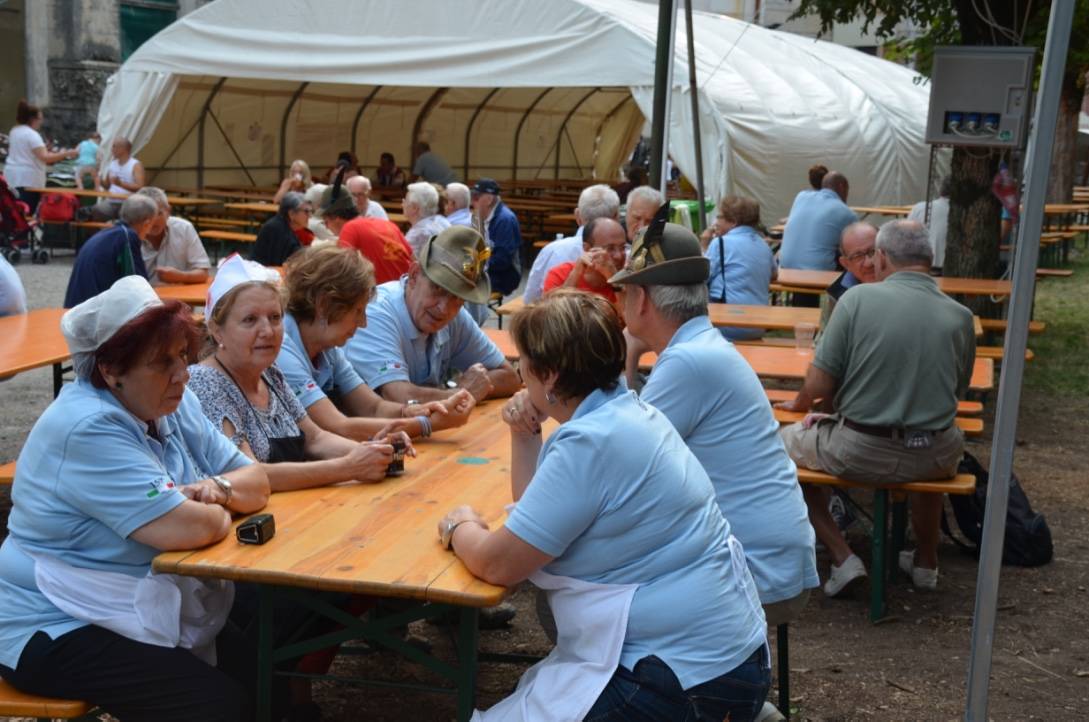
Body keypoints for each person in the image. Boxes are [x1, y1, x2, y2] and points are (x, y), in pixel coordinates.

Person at [439, 290, 770, 721]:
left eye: (524, 362)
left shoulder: (590, 443)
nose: (519, 373)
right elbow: (539, 520)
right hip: (721, 659)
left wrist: (459, 527)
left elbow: (500, 565)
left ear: (551, 376)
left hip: (679, 678)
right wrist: (526, 435)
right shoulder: (627, 413)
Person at [0, 276, 270, 720]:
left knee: (259, 668)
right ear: (110, 370)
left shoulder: (169, 400)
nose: (183, 373)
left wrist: (214, 490)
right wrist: (220, 507)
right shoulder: (87, 426)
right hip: (51, 622)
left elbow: (256, 479)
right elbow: (193, 528)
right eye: (163, 362)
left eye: (183, 355)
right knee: (217, 705)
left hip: (125, 597)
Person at [614, 220, 817, 720]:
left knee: (591, 605)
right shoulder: (700, 350)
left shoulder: (687, 364)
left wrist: (626, 355)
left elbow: (620, 460)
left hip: (755, 571)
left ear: (641, 301)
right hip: (770, 555)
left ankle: (719, 706)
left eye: (623, 292)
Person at [776, 221, 976, 596]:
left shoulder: (855, 300)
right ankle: (926, 563)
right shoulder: (960, 316)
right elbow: (956, 389)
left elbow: (819, 385)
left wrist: (801, 404)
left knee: (776, 448)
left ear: (882, 257)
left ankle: (842, 556)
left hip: (863, 449)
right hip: (936, 454)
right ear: (929, 260)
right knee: (931, 445)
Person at [188, 254, 413, 487]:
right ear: (217, 330)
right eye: (250, 320)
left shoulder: (269, 374)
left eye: (275, 318)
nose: (267, 330)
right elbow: (247, 473)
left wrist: (374, 452)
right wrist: (348, 467)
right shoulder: (204, 382)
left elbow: (315, 439)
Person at [276, 245, 475, 442]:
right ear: (324, 305)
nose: (363, 323)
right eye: (358, 311)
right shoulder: (282, 347)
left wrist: (413, 411)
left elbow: (374, 408)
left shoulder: (327, 348)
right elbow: (337, 427)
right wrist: (427, 423)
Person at [345, 226, 520, 405]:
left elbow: (509, 378)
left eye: (457, 297)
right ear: (414, 275)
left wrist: (459, 391)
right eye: (438, 289)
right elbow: (398, 396)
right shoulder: (375, 313)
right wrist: (461, 392)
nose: (444, 308)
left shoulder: (456, 317)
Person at [523, 183, 620, 302]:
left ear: (578, 216)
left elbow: (530, 300)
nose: (617, 253)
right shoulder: (627, 255)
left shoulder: (552, 250)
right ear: (616, 217)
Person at [705, 195, 778, 341]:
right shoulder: (764, 245)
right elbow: (774, 275)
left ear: (733, 222)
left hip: (726, 325)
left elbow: (701, 277)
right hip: (758, 326)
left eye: (719, 217)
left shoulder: (720, 243)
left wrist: (703, 245)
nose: (716, 222)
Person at [63, 194, 156, 308]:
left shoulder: (107, 233)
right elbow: (139, 286)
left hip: (76, 307)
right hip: (91, 314)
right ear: (146, 223)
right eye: (152, 225)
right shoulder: (127, 236)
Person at [5, 99, 78, 212]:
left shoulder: (15, 131)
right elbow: (45, 158)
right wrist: (66, 153)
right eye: (40, 119)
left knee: (14, 212)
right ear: (33, 119)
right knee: (27, 211)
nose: (41, 122)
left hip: (12, 177)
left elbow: (27, 152)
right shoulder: (32, 135)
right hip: (28, 180)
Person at [779, 171, 856, 273]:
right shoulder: (846, 212)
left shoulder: (800, 196)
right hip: (818, 273)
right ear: (842, 187)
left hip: (785, 267)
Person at [135, 187, 210, 286]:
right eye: (146, 215)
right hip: (141, 298)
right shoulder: (130, 234)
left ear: (168, 211)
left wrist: (180, 276)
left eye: (158, 213)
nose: (153, 220)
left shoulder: (184, 228)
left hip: (179, 296)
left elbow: (203, 273)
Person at [543, 217, 626, 304]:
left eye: (623, 247)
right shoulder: (559, 274)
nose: (619, 256)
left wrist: (615, 280)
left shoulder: (628, 278)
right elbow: (554, 315)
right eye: (610, 248)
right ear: (587, 248)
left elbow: (627, 315)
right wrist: (575, 275)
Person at [817, 222, 878, 332]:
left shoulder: (903, 284)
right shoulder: (836, 295)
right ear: (846, 264)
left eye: (873, 252)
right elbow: (825, 341)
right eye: (858, 256)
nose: (869, 263)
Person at [470, 178, 522, 297]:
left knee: (461, 283)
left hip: (505, 277)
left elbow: (502, 260)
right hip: (491, 270)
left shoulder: (505, 220)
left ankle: (474, 315)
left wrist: (474, 266)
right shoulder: (483, 216)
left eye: (476, 197)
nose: (472, 202)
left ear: (488, 200)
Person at [88, 137, 146, 221]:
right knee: (95, 210)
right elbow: (108, 186)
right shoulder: (112, 164)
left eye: (114, 146)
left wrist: (121, 184)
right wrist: (98, 178)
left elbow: (140, 187)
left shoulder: (136, 165)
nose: (112, 149)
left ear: (123, 149)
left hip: (128, 203)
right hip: (111, 201)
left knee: (127, 217)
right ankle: (104, 232)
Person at [252, 191, 311, 266]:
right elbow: (279, 264)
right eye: (306, 211)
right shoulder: (276, 229)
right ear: (291, 214)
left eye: (310, 211)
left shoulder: (285, 226)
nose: (309, 216)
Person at [907, 177, 951, 271]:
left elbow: (906, 237)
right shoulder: (966, 215)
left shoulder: (919, 207)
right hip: (946, 268)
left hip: (919, 266)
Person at [402, 181, 451, 255]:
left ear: (415, 208)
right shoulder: (442, 221)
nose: (402, 204)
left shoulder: (417, 234)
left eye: (405, 200)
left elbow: (404, 263)